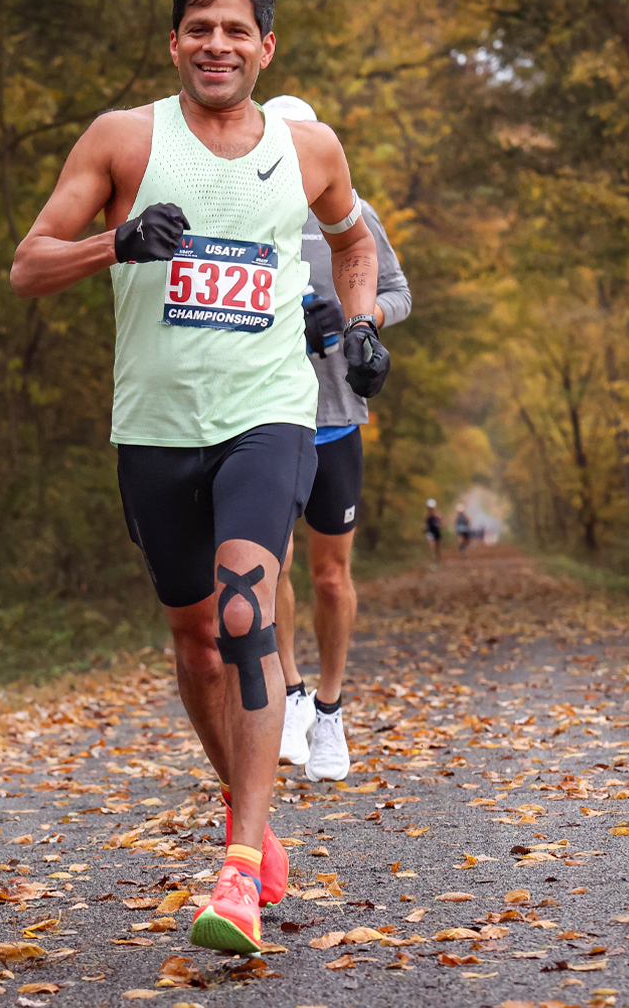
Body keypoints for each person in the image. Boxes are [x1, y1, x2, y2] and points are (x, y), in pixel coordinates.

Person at [8, 0, 389, 957]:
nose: (216, 45)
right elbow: (29, 265)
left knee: (244, 613)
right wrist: (118, 243)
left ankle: (239, 868)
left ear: (267, 47)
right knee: (195, 644)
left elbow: (354, 244)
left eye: (235, 30)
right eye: (198, 30)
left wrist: (359, 328)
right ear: (174, 44)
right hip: (155, 429)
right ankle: (247, 816)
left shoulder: (310, 149)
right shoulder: (125, 138)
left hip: (269, 416)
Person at [260, 96, 411, 783]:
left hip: (334, 414)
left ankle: (329, 711)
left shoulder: (350, 213)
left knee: (328, 574)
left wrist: (360, 320)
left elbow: (399, 291)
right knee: (272, 567)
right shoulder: (245, 210)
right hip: (261, 413)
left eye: (302, 142)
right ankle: (290, 693)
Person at [424, 499, 443, 563]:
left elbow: (442, 522)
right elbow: (426, 523)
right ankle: (433, 559)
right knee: (432, 546)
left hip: (436, 531)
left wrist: (439, 524)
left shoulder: (438, 514)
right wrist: (424, 527)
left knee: (437, 547)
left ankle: (438, 558)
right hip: (430, 532)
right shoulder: (427, 515)